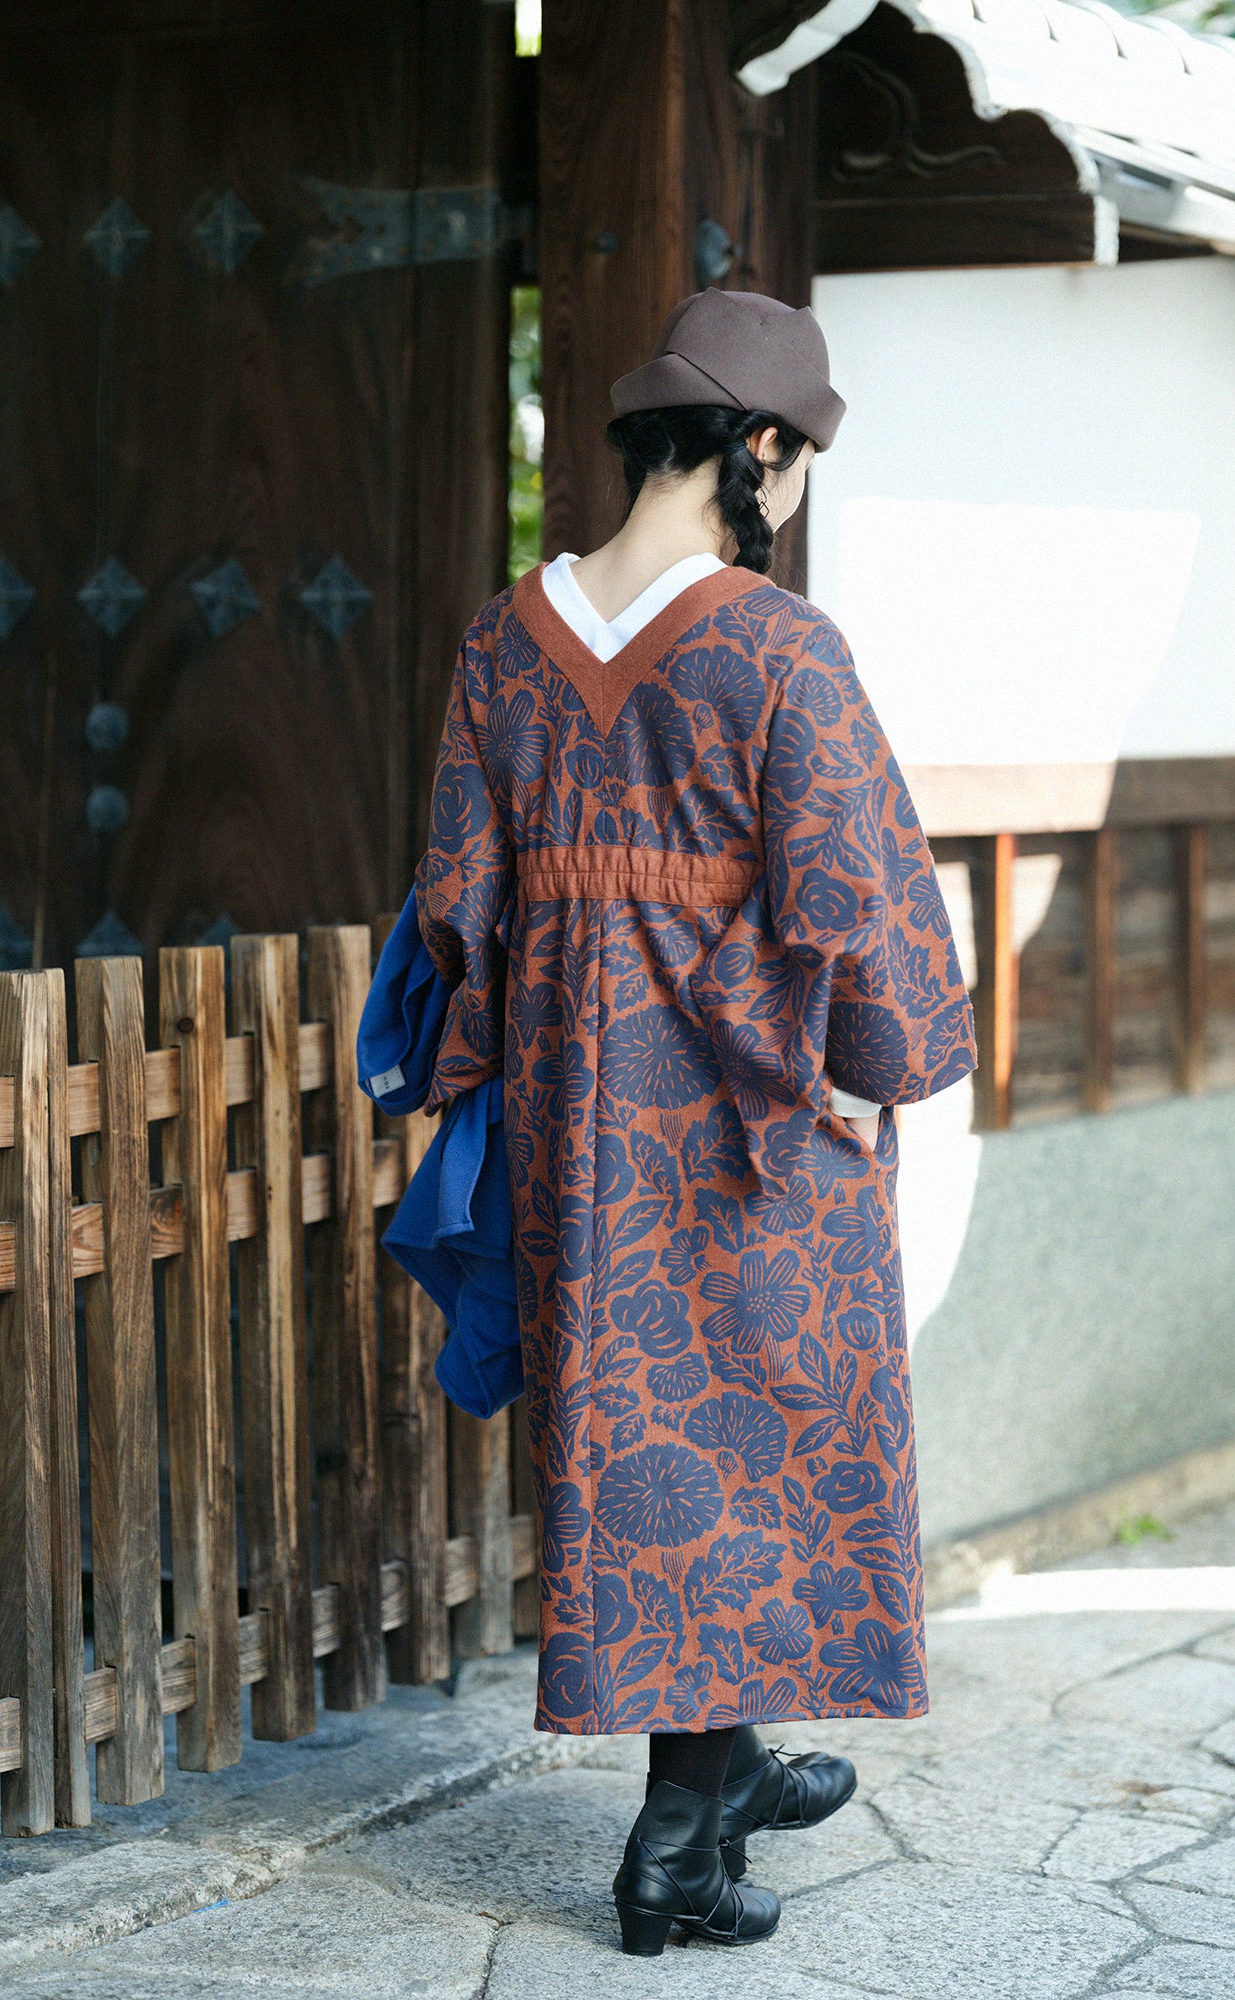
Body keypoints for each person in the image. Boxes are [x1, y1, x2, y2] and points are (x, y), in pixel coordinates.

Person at [415, 288, 976, 1955]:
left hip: (577, 1131)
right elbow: (854, 898)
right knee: (769, 1436)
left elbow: (455, 898)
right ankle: (673, 1843)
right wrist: (897, 1064)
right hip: (749, 1123)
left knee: (649, 1447)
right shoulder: (777, 647)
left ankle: (724, 1769)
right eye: (795, 460)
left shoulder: (502, 640)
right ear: (758, 451)